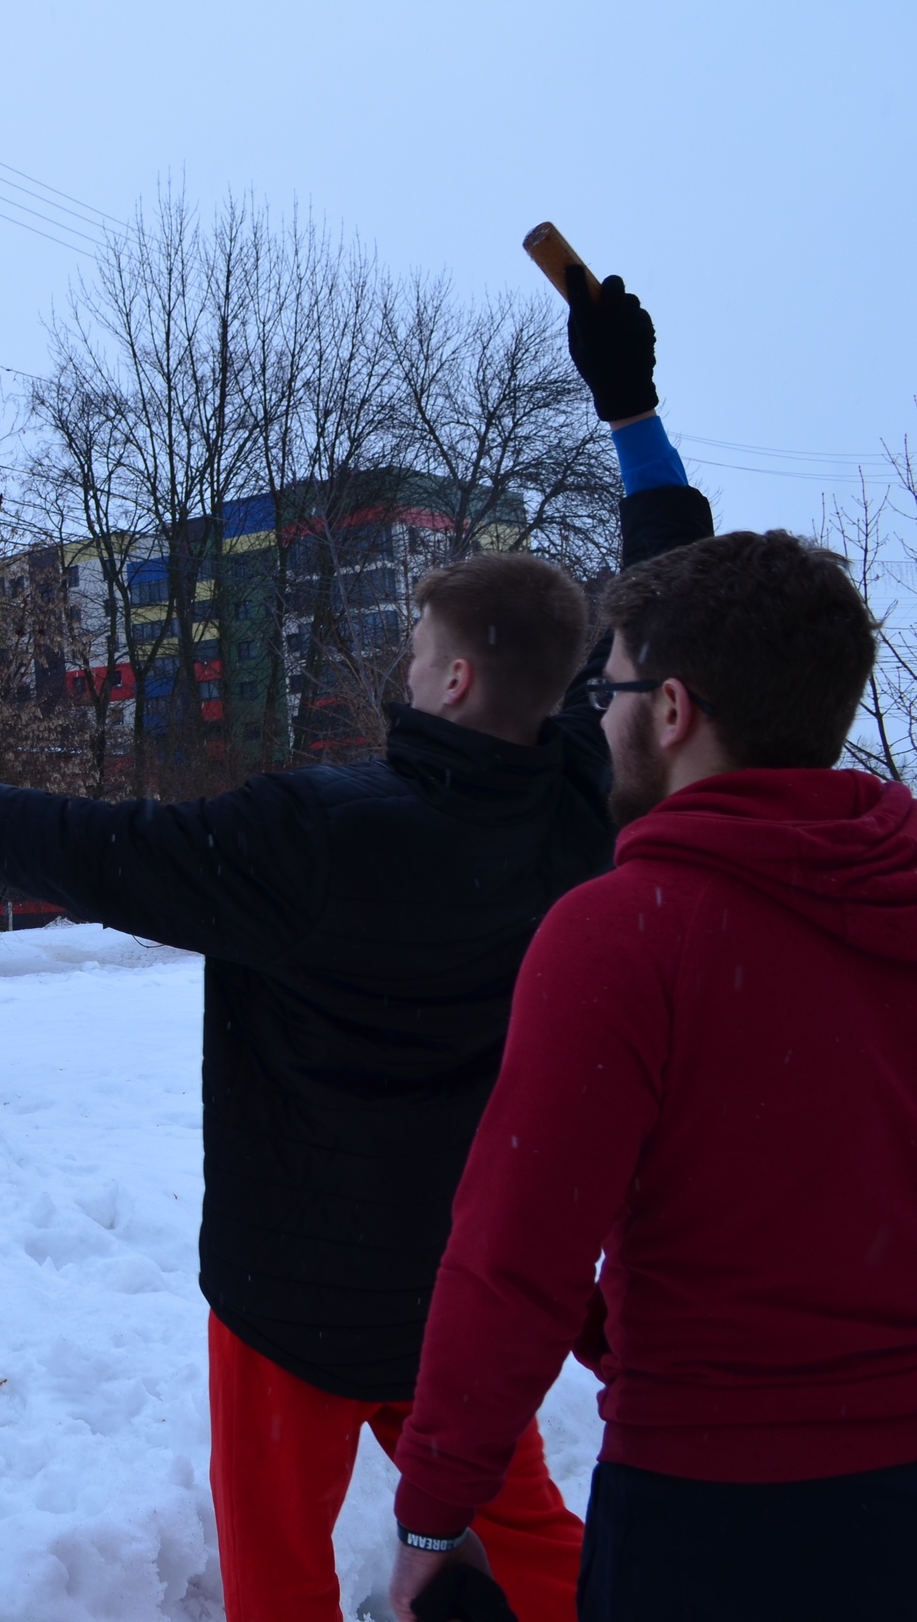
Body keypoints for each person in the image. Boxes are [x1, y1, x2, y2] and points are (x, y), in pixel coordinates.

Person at [0, 268, 713, 1622]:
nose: (401, 664)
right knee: (537, 1542)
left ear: (451, 679)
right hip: (466, 1294)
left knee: (277, 1570)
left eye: (417, 646)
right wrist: (631, 408)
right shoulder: (582, 802)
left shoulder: (311, 835)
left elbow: (101, 850)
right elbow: (676, 596)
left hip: (294, 1307)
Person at [385, 530, 915, 1622]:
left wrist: (435, 1513)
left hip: (714, 1512)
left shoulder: (624, 933)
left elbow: (513, 1258)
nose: (598, 711)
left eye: (612, 685)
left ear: (671, 712)